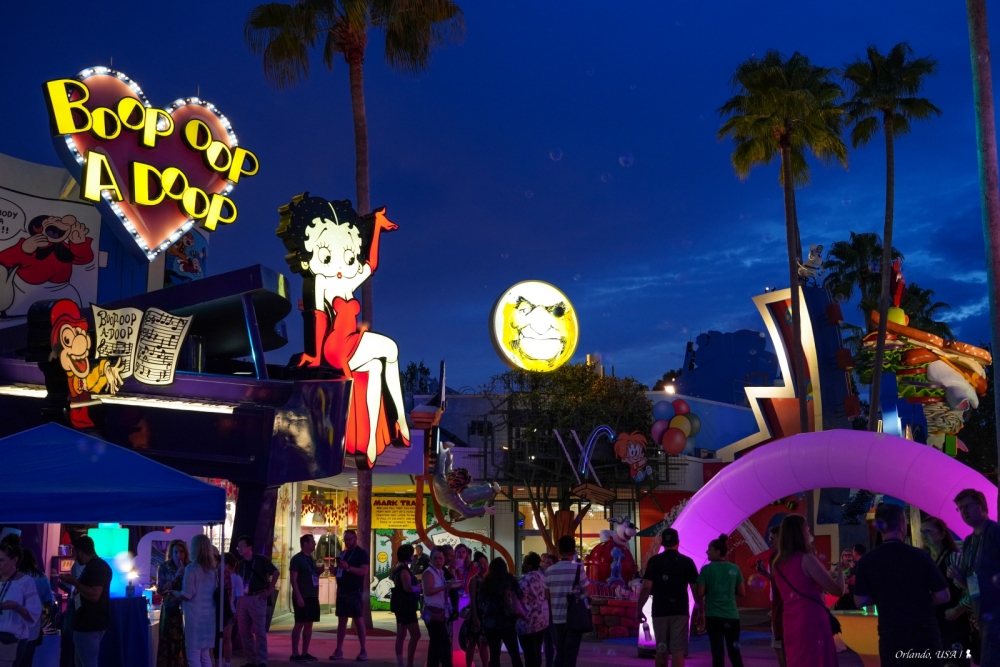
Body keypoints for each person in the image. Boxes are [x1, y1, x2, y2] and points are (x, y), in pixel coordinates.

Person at [854, 504, 949, 667]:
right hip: (924, 631)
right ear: (901, 525)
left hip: (891, 633)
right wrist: (918, 599)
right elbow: (943, 595)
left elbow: (860, 601)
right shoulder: (921, 556)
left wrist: (886, 598)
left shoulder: (866, 561)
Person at [772, 515, 843, 667]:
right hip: (812, 620)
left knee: (798, 660)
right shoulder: (807, 559)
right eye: (807, 529)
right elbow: (837, 590)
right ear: (800, 533)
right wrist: (841, 572)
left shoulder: (777, 564)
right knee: (817, 660)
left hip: (790, 622)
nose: (809, 533)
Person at [950, 488, 1000, 666]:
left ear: (982, 506)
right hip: (981, 616)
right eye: (960, 508)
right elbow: (972, 584)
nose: (963, 511)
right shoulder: (969, 541)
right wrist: (959, 578)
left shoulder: (995, 532)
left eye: (967, 506)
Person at [637, 528, 700, 667]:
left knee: (661, 649)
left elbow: (646, 587)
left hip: (659, 610)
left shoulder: (654, 561)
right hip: (680, 610)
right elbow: (695, 588)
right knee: (678, 651)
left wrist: (639, 608)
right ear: (678, 542)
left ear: (662, 543)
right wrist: (701, 608)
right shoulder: (687, 562)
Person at [922, 516, 973, 665]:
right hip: (932, 621)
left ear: (942, 534)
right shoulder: (924, 559)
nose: (924, 535)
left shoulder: (954, 558)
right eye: (922, 532)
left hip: (954, 620)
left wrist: (958, 609)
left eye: (928, 531)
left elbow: (971, 590)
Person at [57, 536, 110, 667]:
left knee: (88, 662)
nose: (75, 557)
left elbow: (94, 595)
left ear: (80, 552)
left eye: (75, 553)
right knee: (82, 662)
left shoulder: (95, 568)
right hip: (90, 622)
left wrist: (74, 582)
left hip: (89, 624)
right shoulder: (96, 566)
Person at [167, 534, 217, 667]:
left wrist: (174, 592)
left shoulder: (192, 568)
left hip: (194, 616)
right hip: (209, 616)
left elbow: (187, 594)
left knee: (193, 655)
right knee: (205, 655)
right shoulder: (212, 570)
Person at [697, 535, 745, 667]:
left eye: (709, 549)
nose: (707, 552)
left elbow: (700, 593)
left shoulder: (706, 569)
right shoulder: (735, 568)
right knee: (735, 653)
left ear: (718, 551)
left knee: (717, 653)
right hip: (732, 616)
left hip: (713, 617)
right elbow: (742, 593)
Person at [544, 536, 590, 667]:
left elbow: (546, 595)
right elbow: (588, 592)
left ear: (558, 551)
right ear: (573, 551)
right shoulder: (578, 570)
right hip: (574, 619)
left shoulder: (549, 571)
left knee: (560, 651)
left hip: (556, 619)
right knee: (571, 655)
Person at [236, 534, 279, 667]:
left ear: (250, 547)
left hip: (258, 597)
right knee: (244, 631)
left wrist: (269, 590)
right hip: (244, 598)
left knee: (259, 631)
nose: (240, 549)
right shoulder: (240, 564)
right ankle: (251, 660)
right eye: (238, 547)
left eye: (242, 546)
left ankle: (262, 661)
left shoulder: (260, 559)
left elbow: (276, 572)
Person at [0, 539, 41, 667]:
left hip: (13, 639)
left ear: (14, 560)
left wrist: (16, 607)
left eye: (1, 560)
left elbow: (34, 614)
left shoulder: (26, 582)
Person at [331, 529, 370, 661]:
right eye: (345, 540)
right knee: (342, 620)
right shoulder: (343, 553)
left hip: (355, 591)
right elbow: (341, 571)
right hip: (342, 590)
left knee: (358, 619)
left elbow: (364, 571)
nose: (347, 542)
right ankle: (339, 650)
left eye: (349, 539)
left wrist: (348, 568)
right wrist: (335, 571)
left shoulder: (361, 553)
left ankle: (363, 650)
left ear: (355, 538)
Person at [478, 558, 524, 667]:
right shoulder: (510, 579)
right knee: (514, 654)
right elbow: (520, 595)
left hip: (490, 622)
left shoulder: (485, 581)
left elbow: (481, 601)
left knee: (494, 654)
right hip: (507, 621)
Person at [12, 544, 52, 667]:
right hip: (33, 627)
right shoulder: (42, 577)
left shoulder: (12, 577)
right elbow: (48, 602)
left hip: (12, 627)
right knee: (27, 661)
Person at [290, 534, 324, 662]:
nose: (315, 544)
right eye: (312, 542)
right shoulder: (297, 559)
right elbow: (293, 579)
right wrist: (298, 596)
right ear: (305, 543)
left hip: (312, 595)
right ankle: (295, 653)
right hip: (302, 596)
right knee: (299, 623)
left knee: (309, 624)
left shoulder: (311, 559)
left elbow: (312, 576)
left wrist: (318, 572)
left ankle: (305, 652)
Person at [754, 526, 785, 667]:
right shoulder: (774, 557)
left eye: (772, 538)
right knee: (778, 644)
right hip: (779, 605)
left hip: (784, 607)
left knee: (780, 644)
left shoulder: (784, 557)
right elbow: (777, 581)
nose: (769, 540)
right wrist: (765, 574)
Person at [156, 539, 190, 667]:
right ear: (171, 553)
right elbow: (160, 590)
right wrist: (176, 577)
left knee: (184, 641)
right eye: (176, 552)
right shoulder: (164, 567)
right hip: (170, 609)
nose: (179, 555)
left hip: (187, 608)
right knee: (168, 641)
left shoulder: (190, 567)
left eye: (181, 552)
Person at [423, 546, 459, 667]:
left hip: (440, 612)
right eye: (435, 558)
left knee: (435, 647)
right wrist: (445, 587)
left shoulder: (441, 572)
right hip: (432, 613)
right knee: (443, 646)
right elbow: (428, 591)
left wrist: (450, 586)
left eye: (440, 558)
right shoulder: (429, 572)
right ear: (431, 559)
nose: (438, 561)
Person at [391, 545, 421, 667]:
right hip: (406, 605)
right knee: (416, 634)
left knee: (401, 635)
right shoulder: (404, 569)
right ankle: (409, 663)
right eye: (412, 553)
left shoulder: (396, 567)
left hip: (399, 604)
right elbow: (407, 588)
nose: (413, 556)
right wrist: (419, 587)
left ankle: (401, 663)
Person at [518, 553, 549, 667]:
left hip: (528, 621)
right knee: (537, 650)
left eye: (524, 563)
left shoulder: (525, 580)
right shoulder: (543, 577)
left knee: (529, 654)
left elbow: (520, 599)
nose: (522, 565)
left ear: (529, 566)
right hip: (542, 620)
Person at [465, 552, 490, 667]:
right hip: (477, 613)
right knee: (472, 642)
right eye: (482, 563)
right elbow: (472, 600)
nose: (485, 565)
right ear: (477, 565)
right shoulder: (474, 580)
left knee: (484, 643)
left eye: (486, 562)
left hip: (488, 614)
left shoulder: (490, 579)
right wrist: (475, 616)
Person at [223, 554, 243, 667]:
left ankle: (227, 662)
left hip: (230, 610)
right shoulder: (221, 576)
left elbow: (240, 597)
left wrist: (237, 612)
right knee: (225, 638)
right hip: (227, 610)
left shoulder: (236, 578)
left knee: (227, 638)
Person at [540, 554, 557, 667]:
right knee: (547, 640)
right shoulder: (542, 576)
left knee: (555, 640)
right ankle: (549, 663)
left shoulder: (553, 577)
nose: (545, 565)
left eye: (549, 563)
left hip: (555, 611)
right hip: (546, 612)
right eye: (545, 562)